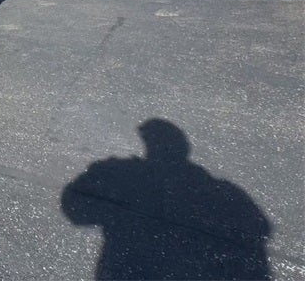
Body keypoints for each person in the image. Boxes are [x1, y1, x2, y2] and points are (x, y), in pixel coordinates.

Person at [61, 118, 271, 280]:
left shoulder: (127, 177)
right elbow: (255, 240)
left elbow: (75, 208)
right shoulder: (223, 193)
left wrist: (102, 173)